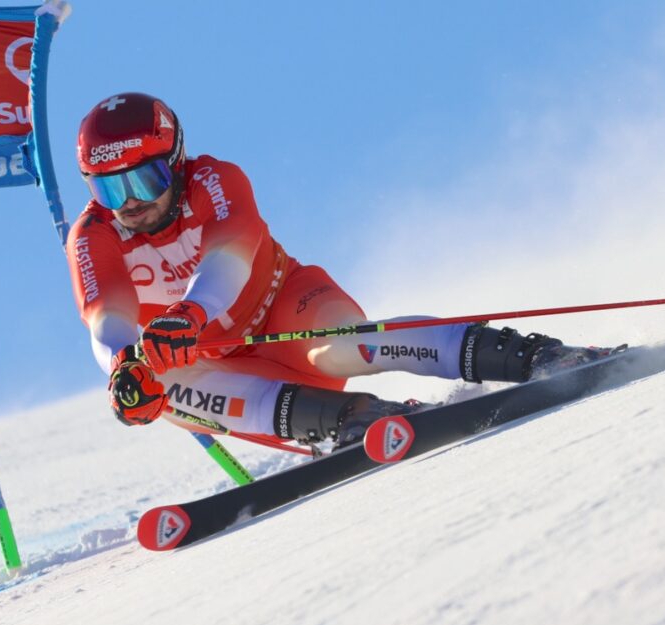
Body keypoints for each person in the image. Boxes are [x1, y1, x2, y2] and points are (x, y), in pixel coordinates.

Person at [67, 93, 609, 448]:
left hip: (286, 307)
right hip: (235, 372)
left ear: (176, 161)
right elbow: (107, 321)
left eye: (144, 181)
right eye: (110, 188)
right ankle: (350, 420)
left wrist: (190, 315)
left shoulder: (215, 180)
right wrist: (122, 366)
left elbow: (226, 261)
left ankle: (533, 355)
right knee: (156, 387)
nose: (130, 204)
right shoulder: (94, 235)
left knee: (338, 347)